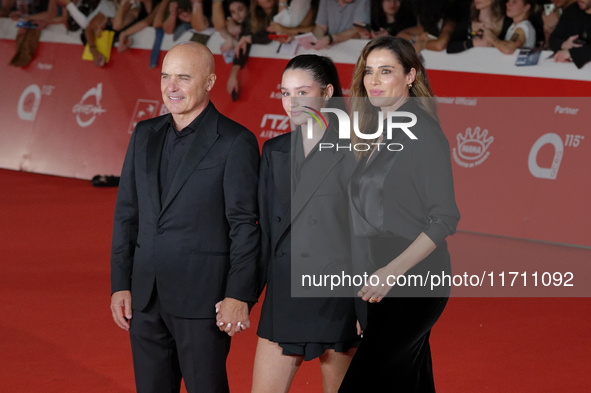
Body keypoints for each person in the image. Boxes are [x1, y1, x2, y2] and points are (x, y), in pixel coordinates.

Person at [109, 41, 260, 393]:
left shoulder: (235, 142)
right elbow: (126, 213)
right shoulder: (144, 134)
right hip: (145, 296)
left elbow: (245, 227)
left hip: (203, 299)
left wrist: (239, 294)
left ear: (209, 82)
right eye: (165, 76)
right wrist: (120, 282)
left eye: (183, 78)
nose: (171, 87)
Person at [338, 36, 460, 392]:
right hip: (379, 279)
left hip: (415, 278)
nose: (373, 80)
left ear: (410, 76)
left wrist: (389, 273)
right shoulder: (374, 131)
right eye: (369, 72)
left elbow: (444, 219)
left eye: (386, 71)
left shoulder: (423, 133)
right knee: (408, 380)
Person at [253, 54, 359, 393]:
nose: (291, 102)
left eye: (302, 92)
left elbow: (366, 237)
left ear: (327, 92)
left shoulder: (357, 150)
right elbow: (266, 233)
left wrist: (364, 309)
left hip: (337, 300)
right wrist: (240, 295)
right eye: (285, 93)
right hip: (284, 295)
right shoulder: (274, 151)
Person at [447, 0, 512, 53]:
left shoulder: (508, 21)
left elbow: (514, 46)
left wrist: (492, 38)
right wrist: (473, 43)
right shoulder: (468, 21)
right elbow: (450, 47)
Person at [549, 0, 591, 68]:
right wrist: (564, 44)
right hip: (570, 72)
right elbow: (553, 39)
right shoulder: (572, 10)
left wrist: (572, 53)